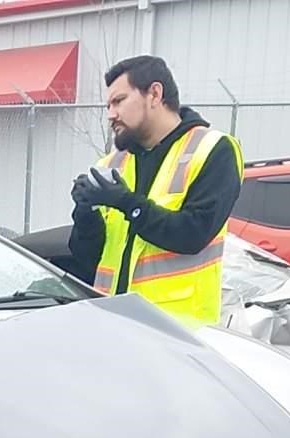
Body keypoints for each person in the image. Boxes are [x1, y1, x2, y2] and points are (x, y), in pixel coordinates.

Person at [68, 55, 244, 328]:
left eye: (119, 101)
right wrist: (85, 214)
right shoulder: (112, 163)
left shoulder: (212, 149)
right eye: (108, 105)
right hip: (114, 326)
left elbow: (193, 234)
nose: (110, 114)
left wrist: (128, 204)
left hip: (181, 331)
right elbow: (88, 258)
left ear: (154, 94)